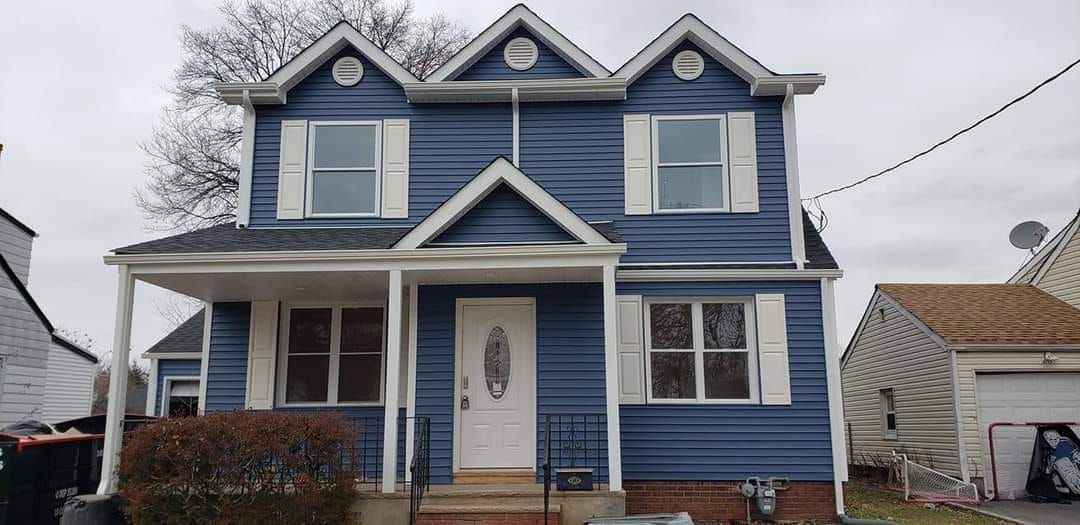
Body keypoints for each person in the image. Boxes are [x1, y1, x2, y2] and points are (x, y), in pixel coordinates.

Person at [1042, 429, 1080, 494]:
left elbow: (1061, 463)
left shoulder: (1062, 446)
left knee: (1060, 463)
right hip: (1071, 471)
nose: (1053, 442)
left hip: (1073, 474)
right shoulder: (1056, 448)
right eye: (1050, 440)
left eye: (1055, 439)